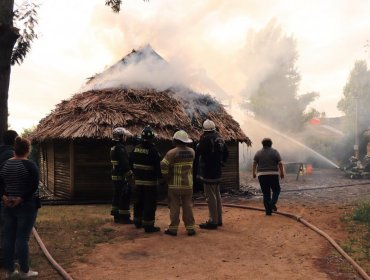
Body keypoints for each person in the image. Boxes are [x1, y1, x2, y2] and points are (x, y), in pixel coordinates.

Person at [0, 136, 40, 279]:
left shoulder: (4, 165)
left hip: (7, 205)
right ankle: (24, 271)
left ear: (15, 150)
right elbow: (34, 186)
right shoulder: (30, 165)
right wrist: (21, 198)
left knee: (8, 238)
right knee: (22, 238)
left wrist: (4, 196)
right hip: (26, 206)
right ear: (27, 150)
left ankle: (10, 271)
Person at [161, 130, 196, 236]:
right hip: (188, 184)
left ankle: (173, 229)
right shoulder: (192, 152)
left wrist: (166, 177)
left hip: (174, 185)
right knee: (188, 206)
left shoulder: (171, 153)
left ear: (175, 140)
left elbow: (163, 165)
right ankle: (190, 228)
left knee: (174, 206)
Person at [197, 119, 228, 230]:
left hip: (208, 173)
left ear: (205, 130)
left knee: (210, 197)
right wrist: (221, 162)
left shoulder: (205, 139)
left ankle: (213, 221)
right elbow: (226, 153)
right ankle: (219, 220)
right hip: (218, 172)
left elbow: (199, 151)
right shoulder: (220, 139)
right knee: (217, 195)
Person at [130, 126, 162, 233]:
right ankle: (148, 226)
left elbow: (131, 163)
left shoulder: (135, 149)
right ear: (152, 138)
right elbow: (158, 167)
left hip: (138, 182)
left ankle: (137, 221)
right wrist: (161, 179)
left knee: (138, 201)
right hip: (150, 183)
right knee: (150, 203)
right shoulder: (153, 151)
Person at [0, 130, 18, 267]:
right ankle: (8, 259)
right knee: (9, 229)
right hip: (8, 198)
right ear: (15, 140)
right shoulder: (12, 156)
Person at [252, 138, 284, 216]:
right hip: (273, 174)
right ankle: (272, 203)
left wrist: (254, 173)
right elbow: (280, 163)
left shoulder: (258, 152)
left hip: (262, 175)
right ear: (271, 144)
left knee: (266, 193)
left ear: (262, 144)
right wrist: (282, 173)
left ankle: (268, 212)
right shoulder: (275, 152)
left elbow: (254, 163)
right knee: (276, 190)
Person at [110, 127, 134, 224]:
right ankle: (124, 217)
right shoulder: (120, 147)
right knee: (124, 195)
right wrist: (130, 174)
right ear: (121, 137)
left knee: (117, 194)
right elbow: (124, 163)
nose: (125, 138)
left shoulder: (113, 147)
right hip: (121, 175)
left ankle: (116, 215)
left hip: (116, 173)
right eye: (124, 136)